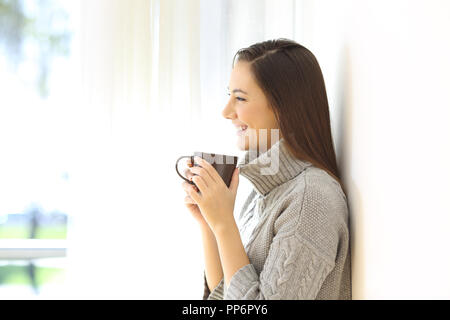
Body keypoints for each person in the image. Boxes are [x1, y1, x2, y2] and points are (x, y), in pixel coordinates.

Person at [180, 38, 351, 300]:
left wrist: (224, 223)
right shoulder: (265, 193)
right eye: (230, 96)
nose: (227, 111)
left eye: (240, 98)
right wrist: (210, 223)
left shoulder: (311, 200)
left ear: (283, 106)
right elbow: (229, 294)